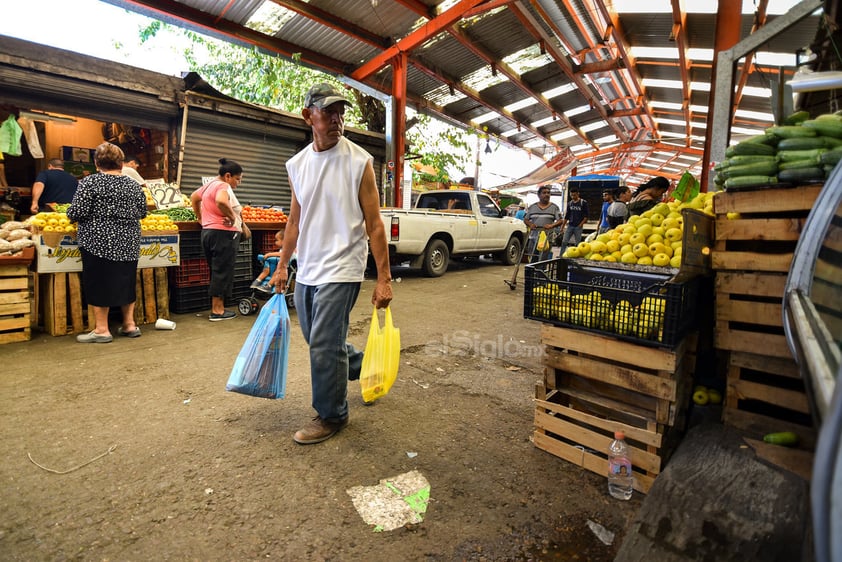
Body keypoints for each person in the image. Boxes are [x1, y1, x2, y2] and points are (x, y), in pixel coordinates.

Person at [269, 82, 392, 445]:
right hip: (308, 267)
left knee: (323, 341)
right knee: (318, 339)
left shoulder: (359, 162)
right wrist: (282, 265)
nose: (337, 119)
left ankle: (332, 414)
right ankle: (364, 364)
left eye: (341, 112)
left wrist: (383, 279)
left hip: (343, 266)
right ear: (309, 115)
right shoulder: (298, 165)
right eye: (328, 111)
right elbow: (294, 220)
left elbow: (375, 223)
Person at [66, 143, 147, 343]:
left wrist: (69, 214)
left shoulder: (90, 183)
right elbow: (142, 212)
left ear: (96, 163)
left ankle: (102, 330)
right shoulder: (133, 185)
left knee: (98, 283)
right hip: (128, 242)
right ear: (121, 163)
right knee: (126, 282)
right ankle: (129, 325)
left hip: (98, 242)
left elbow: (77, 212)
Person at [190, 158, 245, 321]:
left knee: (216, 270)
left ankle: (217, 307)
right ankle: (217, 311)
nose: (238, 183)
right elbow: (221, 201)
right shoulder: (223, 185)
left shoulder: (208, 185)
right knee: (222, 271)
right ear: (228, 176)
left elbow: (194, 197)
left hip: (208, 232)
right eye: (238, 179)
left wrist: (200, 218)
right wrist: (232, 217)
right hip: (223, 234)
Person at [523, 185, 562, 262]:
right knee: (532, 259)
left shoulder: (554, 207)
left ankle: (540, 273)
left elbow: (560, 220)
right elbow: (526, 219)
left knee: (542, 260)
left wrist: (552, 225)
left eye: (548, 193)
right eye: (544, 193)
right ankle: (531, 273)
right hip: (533, 238)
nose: (547, 195)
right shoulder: (532, 207)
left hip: (547, 238)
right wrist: (530, 224)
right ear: (539, 195)